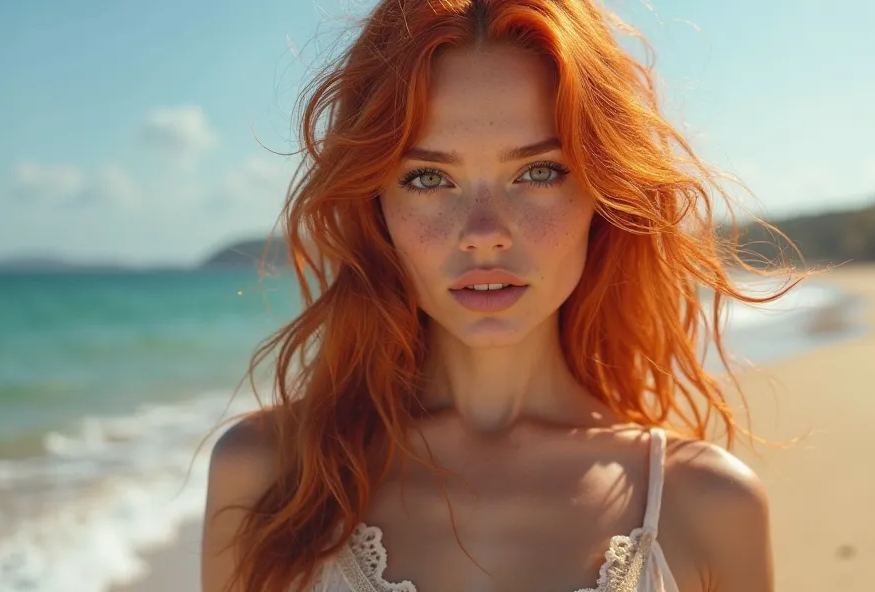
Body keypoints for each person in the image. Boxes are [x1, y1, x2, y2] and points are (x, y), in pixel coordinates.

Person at [202, 0, 794, 590]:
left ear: (604, 192)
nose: (484, 233)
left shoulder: (709, 507)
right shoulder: (267, 476)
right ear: (376, 208)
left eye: (538, 172)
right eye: (428, 177)